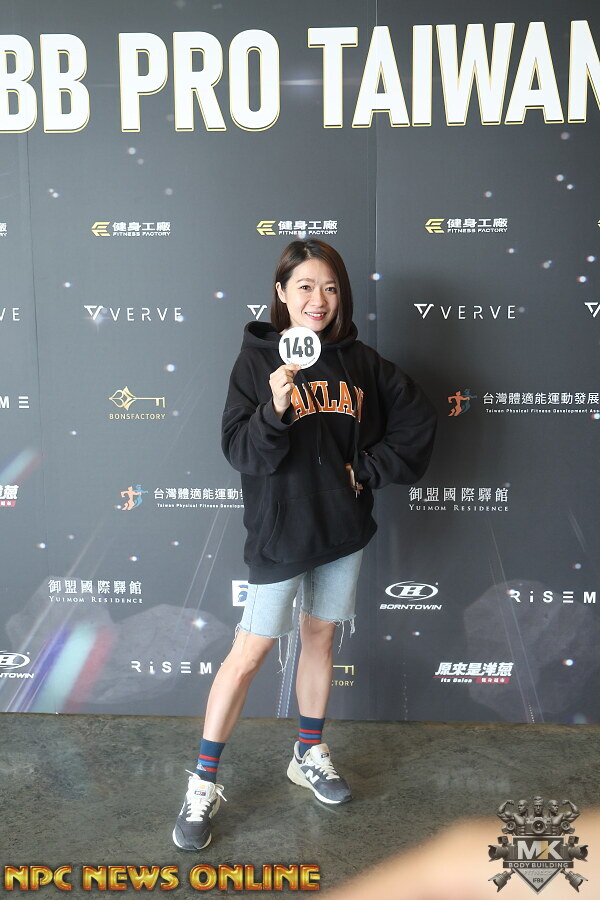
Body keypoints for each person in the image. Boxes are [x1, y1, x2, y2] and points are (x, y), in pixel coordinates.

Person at [172, 239, 437, 851]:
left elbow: (417, 419)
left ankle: (308, 752)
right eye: (306, 287)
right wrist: (275, 406)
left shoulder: (360, 362)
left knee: (320, 639)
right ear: (282, 294)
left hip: (341, 530)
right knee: (249, 653)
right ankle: (202, 783)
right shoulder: (256, 361)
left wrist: (365, 469)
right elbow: (242, 451)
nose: (319, 300)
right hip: (281, 533)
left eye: (331, 288)